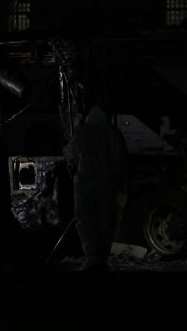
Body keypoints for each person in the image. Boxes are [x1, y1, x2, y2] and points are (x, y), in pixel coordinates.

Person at [64, 104, 127, 272]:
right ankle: (102, 257)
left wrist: (74, 171)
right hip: (106, 182)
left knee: (85, 220)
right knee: (106, 220)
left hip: (84, 182)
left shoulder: (81, 132)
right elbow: (119, 158)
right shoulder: (113, 133)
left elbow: (71, 157)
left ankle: (91, 256)